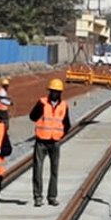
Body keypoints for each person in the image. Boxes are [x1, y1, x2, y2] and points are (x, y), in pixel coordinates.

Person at [29, 77, 71, 207]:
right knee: (38, 169)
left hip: (55, 142)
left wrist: (59, 136)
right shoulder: (42, 103)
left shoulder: (64, 106)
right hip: (41, 141)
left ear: (60, 93)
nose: (54, 93)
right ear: (50, 91)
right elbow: (32, 116)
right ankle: (38, 197)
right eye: (53, 91)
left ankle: (52, 197)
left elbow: (67, 124)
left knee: (54, 170)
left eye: (57, 91)